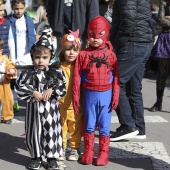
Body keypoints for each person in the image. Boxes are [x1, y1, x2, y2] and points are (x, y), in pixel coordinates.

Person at [15, 28, 66, 170]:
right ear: (32, 57)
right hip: (34, 109)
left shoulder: (55, 71)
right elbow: (20, 86)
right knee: (34, 132)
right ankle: (36, 157)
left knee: (51, 131)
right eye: (37, 57)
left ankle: (51, 158)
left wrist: (52, 89)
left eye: (44, 57)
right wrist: (33, 92)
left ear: (50, 57)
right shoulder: (28, 72)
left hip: (51, 109)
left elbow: (62, 86)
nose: (40, 61)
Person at [72, 16, 120, 166]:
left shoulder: (111, 55)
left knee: (105, 126)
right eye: (92, 34)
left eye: (100, 34)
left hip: (106, 94)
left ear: (106, 35)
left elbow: (117, 78)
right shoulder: (83, 55)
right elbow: (76, 76)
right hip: (89, 94)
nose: (95, 38)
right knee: (89, 125)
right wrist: (76, 96)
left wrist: (115, 95)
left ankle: (103, 153)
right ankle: (88, 152)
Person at [110, 0, 154, 141]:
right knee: (133, 87)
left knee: (113, 82)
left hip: (133, 42)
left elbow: (128, 19)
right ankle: (139, 128)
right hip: (144, 41)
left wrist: (120, 43)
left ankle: (128, 125)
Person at [58, 29, 83, 161]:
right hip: (61, 104)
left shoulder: (81, 67)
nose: (71, 53)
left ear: (79, 51)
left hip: (76, 105)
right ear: (63, 51)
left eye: (74, 50)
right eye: (68, 49)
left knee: (74, 128)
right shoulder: (58, 67)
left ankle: (74, 148)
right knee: (61, 127)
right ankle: (60, 147)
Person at [7, 0, 36, 112]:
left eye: (21, 8)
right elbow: (9, 41)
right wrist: (11, 58)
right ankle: (15, 103)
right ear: (12, 8)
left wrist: (33, 54)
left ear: (25, 7)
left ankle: (29, 102)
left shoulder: (28, 20)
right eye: (16, 8)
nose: (19, 11)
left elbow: (32, 37)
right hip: (14, 56)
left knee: (27, 82)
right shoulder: (9, 21)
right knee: (13, 82)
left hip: (27, 56)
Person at [149, 0, 170, 112]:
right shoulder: (164, 2)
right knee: (162, 73)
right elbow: (161, 20)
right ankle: (158, 102)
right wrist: (166, 19)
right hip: (166, 38)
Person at [0, 38, 17, 124]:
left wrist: (11, 70)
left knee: (7, 100)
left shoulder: (4, 59)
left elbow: (10, 65)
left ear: (1, 50)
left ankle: (8, 116)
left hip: (3, 84)